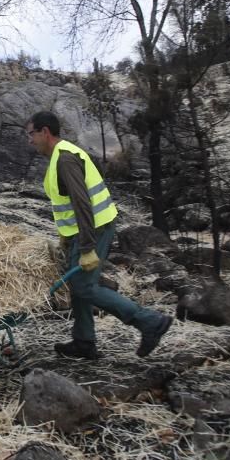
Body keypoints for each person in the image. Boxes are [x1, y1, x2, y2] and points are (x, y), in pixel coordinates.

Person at [26, 111, 173, 359]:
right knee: (79, 285)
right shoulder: (58, 158)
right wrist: (67, 238)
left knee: (84, 286)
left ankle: (150, 322)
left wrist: (86, 248)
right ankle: (84, 341)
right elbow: (68, 205)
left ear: (45, 132)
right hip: (84, 231)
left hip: (95, 228)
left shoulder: (65, 160)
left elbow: (83, 204)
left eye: (31, 134)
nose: (29, 140)